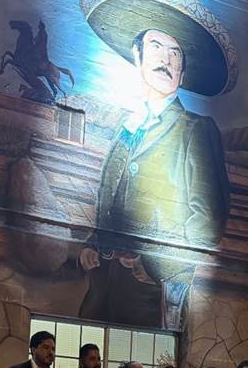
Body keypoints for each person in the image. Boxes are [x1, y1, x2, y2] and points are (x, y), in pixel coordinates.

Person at [78, 0, 236, 329]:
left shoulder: (196, 129)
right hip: (102, 285)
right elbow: (112, 198)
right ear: (137, 56)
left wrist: (155, 266)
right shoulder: (126, 128)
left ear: (183, 72)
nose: (165, 59)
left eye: (175, 53)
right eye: (156, 46)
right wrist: (93, 245)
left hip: (152, 291)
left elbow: (207, 221)